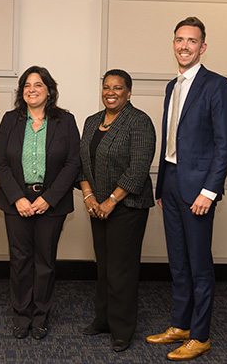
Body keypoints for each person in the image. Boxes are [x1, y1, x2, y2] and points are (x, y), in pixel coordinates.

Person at [146, 17, 227, 361]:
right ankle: (180, 326)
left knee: (199, 266)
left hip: (198, 190)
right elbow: (174, 140)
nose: (185, 46)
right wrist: (161, 185)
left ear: (203, 47)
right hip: (170, 184)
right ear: (173, 44)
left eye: (192, 41)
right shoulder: (173, 85)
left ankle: (200, 336)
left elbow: (224, 144)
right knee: (178, 264)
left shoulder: (217, 85)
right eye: (179, 40)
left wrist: (209, 192)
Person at [0, 66, 80, 340]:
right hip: (15, 201)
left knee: (45, 262)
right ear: (21, 92)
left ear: (49, 90)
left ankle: (40, 317)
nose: (32, 89)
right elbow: (1, 162)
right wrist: (18, 197)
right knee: (19, 261)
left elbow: (72, 163)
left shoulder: (65, 121)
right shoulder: (10, 120)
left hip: (50, 203)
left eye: (38, 84)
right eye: (27, 85)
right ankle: (21, 316)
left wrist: (48, 199)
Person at [78, 69, 156, 352]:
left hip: (127, 206)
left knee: (121, 269)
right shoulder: (91, 122)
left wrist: (111, 200)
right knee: (104, 266)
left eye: (118, 88)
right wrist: (89, 196)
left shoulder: (139, 121)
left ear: (129, 92)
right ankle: (103, 320)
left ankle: (122, 329)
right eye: (106, 87)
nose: (111, 92)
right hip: (97, 206)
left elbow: (138, 168)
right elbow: (81, 161)